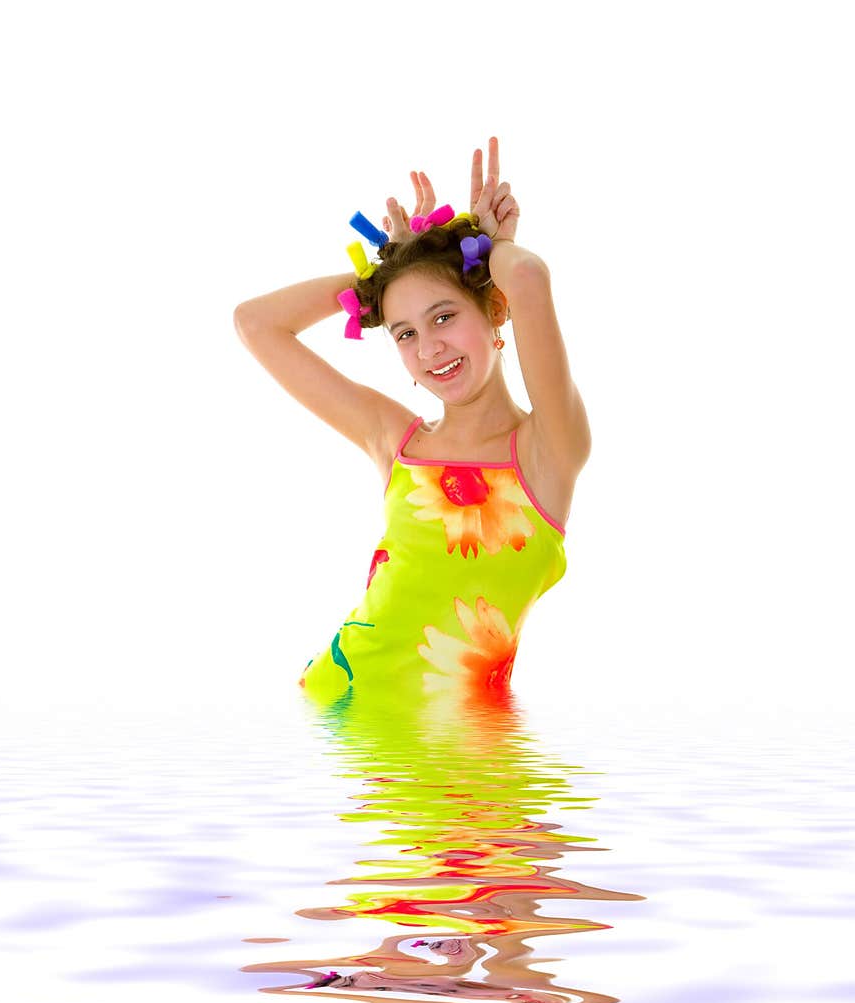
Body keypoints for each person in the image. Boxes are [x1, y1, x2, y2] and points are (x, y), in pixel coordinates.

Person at [233, 137, 591, 713]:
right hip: (339, 713)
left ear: (495, 312)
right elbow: (255, 323)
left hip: (465, 757)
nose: (429, 348)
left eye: (443, 316)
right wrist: (382, 279)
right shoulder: (396, 440)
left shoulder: (548, 448)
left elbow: (527, 279)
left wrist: (491, 246)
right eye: (404, 333)